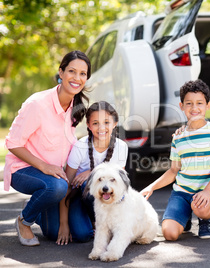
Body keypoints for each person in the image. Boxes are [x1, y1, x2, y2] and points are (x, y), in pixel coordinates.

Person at [4, 50, 91, 246]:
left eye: (83, 74)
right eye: (71, 71)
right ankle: (24, 221)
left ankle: (42, 204)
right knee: (56, 186)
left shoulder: (75, 108)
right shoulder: (38, 104)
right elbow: (12, 143)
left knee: (81, 234)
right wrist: (44, 167)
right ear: (60, 73)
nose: (77, 78)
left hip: (55, 179)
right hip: (24, 170)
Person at [140, 79, 210, 240]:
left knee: (200, 207)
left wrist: (207, 191)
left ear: (208, 105)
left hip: (207, 191)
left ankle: (205, 220)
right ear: (181, 106)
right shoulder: (178, 137)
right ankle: (184, 219)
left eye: (199, 103)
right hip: (182, 193)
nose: (194, 108)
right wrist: (151, 187)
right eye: (189, 103)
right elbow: (173, 171)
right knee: (169, 234)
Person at [57, 101, 128, 245]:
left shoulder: (121, 147)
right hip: (77, 196)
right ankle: (91, 222)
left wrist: (92, 172)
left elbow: (119, 187)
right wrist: (64, 224)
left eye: (106, 122)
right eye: (95, 123)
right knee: (82, 235)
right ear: (88, 126)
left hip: (104, 201)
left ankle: (99, 223)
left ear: (115, 123)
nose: (101, 127)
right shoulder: (80, 147)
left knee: (98, 184)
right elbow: (67, 186)